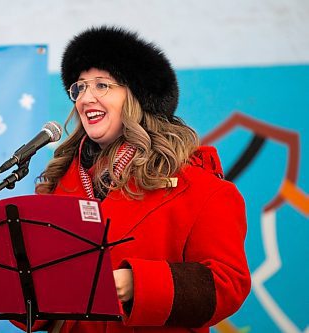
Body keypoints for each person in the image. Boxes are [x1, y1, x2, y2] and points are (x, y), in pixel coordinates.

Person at [17, 26, 251, 333]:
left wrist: (136, 284)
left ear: (138, 97)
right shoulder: (58, 186)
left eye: (102, 85)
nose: (86, 98)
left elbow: (227, 284)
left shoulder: (202, 189)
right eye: (80, 87)